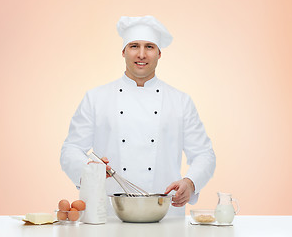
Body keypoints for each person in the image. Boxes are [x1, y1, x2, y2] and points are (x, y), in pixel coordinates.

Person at [60, 15, 216, 216]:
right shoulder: (96, 98)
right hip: (108, 215)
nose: (141, 54)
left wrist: (191, 182)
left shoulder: (180, 101)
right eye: (134, 46)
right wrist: (90, 171)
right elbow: (71, 149)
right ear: (123, 52)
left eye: (149, 47)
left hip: (165, 216)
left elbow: (204, 154)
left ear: (159, 54)